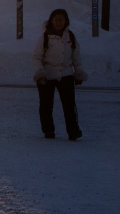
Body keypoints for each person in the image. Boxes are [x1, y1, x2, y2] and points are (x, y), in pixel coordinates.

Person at [31, 8, 87, 140]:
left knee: (69, 105)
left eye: (61, 19)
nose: (58, 22)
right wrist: (40, 71)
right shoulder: (45, 37)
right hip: (47, 75)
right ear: (51, 21)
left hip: (66, 74)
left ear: (66, 21)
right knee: (46, 105)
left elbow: (76, 57)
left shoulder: (71, 36)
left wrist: (78, 71)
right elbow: (36, 56)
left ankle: (73, 130)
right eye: (56, 19)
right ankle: (48, 130)